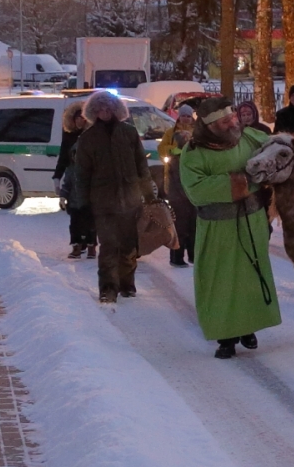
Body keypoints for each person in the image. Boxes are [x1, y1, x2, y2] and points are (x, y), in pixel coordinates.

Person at [178, 97, 282, 357]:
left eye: (233, 117)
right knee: (221, 281)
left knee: (250, 277)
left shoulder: (250, 138)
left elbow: (276, 153)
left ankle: (248, 327)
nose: (233, 122)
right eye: (226, 121)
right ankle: (225, 336)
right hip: (218, 229)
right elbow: (197, 190)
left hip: (252, 221)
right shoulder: (194, 152)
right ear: (211, 125)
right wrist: (242, 182)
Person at [73, 90, 157, 303]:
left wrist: (148, 194)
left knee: (129, 246)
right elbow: (82, 174)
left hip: (130, 200)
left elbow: (141, 165)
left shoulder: (128, 133)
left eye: (108, 108)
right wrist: (82, 204)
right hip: (103, 202)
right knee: (109, 245)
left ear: (116, 110)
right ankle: (108, 288)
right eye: (100, 109)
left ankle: (127, 284)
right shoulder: (88, 138)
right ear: (93, 112)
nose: (104, 113)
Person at [53, 101, 98, 259]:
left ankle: (91, 245)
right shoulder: (69, 136)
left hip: (89, 192)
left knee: (90, 221)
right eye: (78, 118)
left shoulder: (93, 136)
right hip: (74, 196)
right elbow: (63, 158)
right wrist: (57, 178)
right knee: (76, 222)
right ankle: (77, 246)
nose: (81, 121)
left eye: (84, 118)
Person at [158, 105, 198, 267]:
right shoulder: (170, 133)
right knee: (179, 223)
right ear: (179, 117)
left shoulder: (198, 132)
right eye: (183, 116)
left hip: (194, 182)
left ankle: (194, 255)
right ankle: (177, 256)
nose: (186, 119)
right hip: (175, 182)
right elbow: (162, 149)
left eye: (188, 116)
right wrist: (176, 150)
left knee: (194, 222)